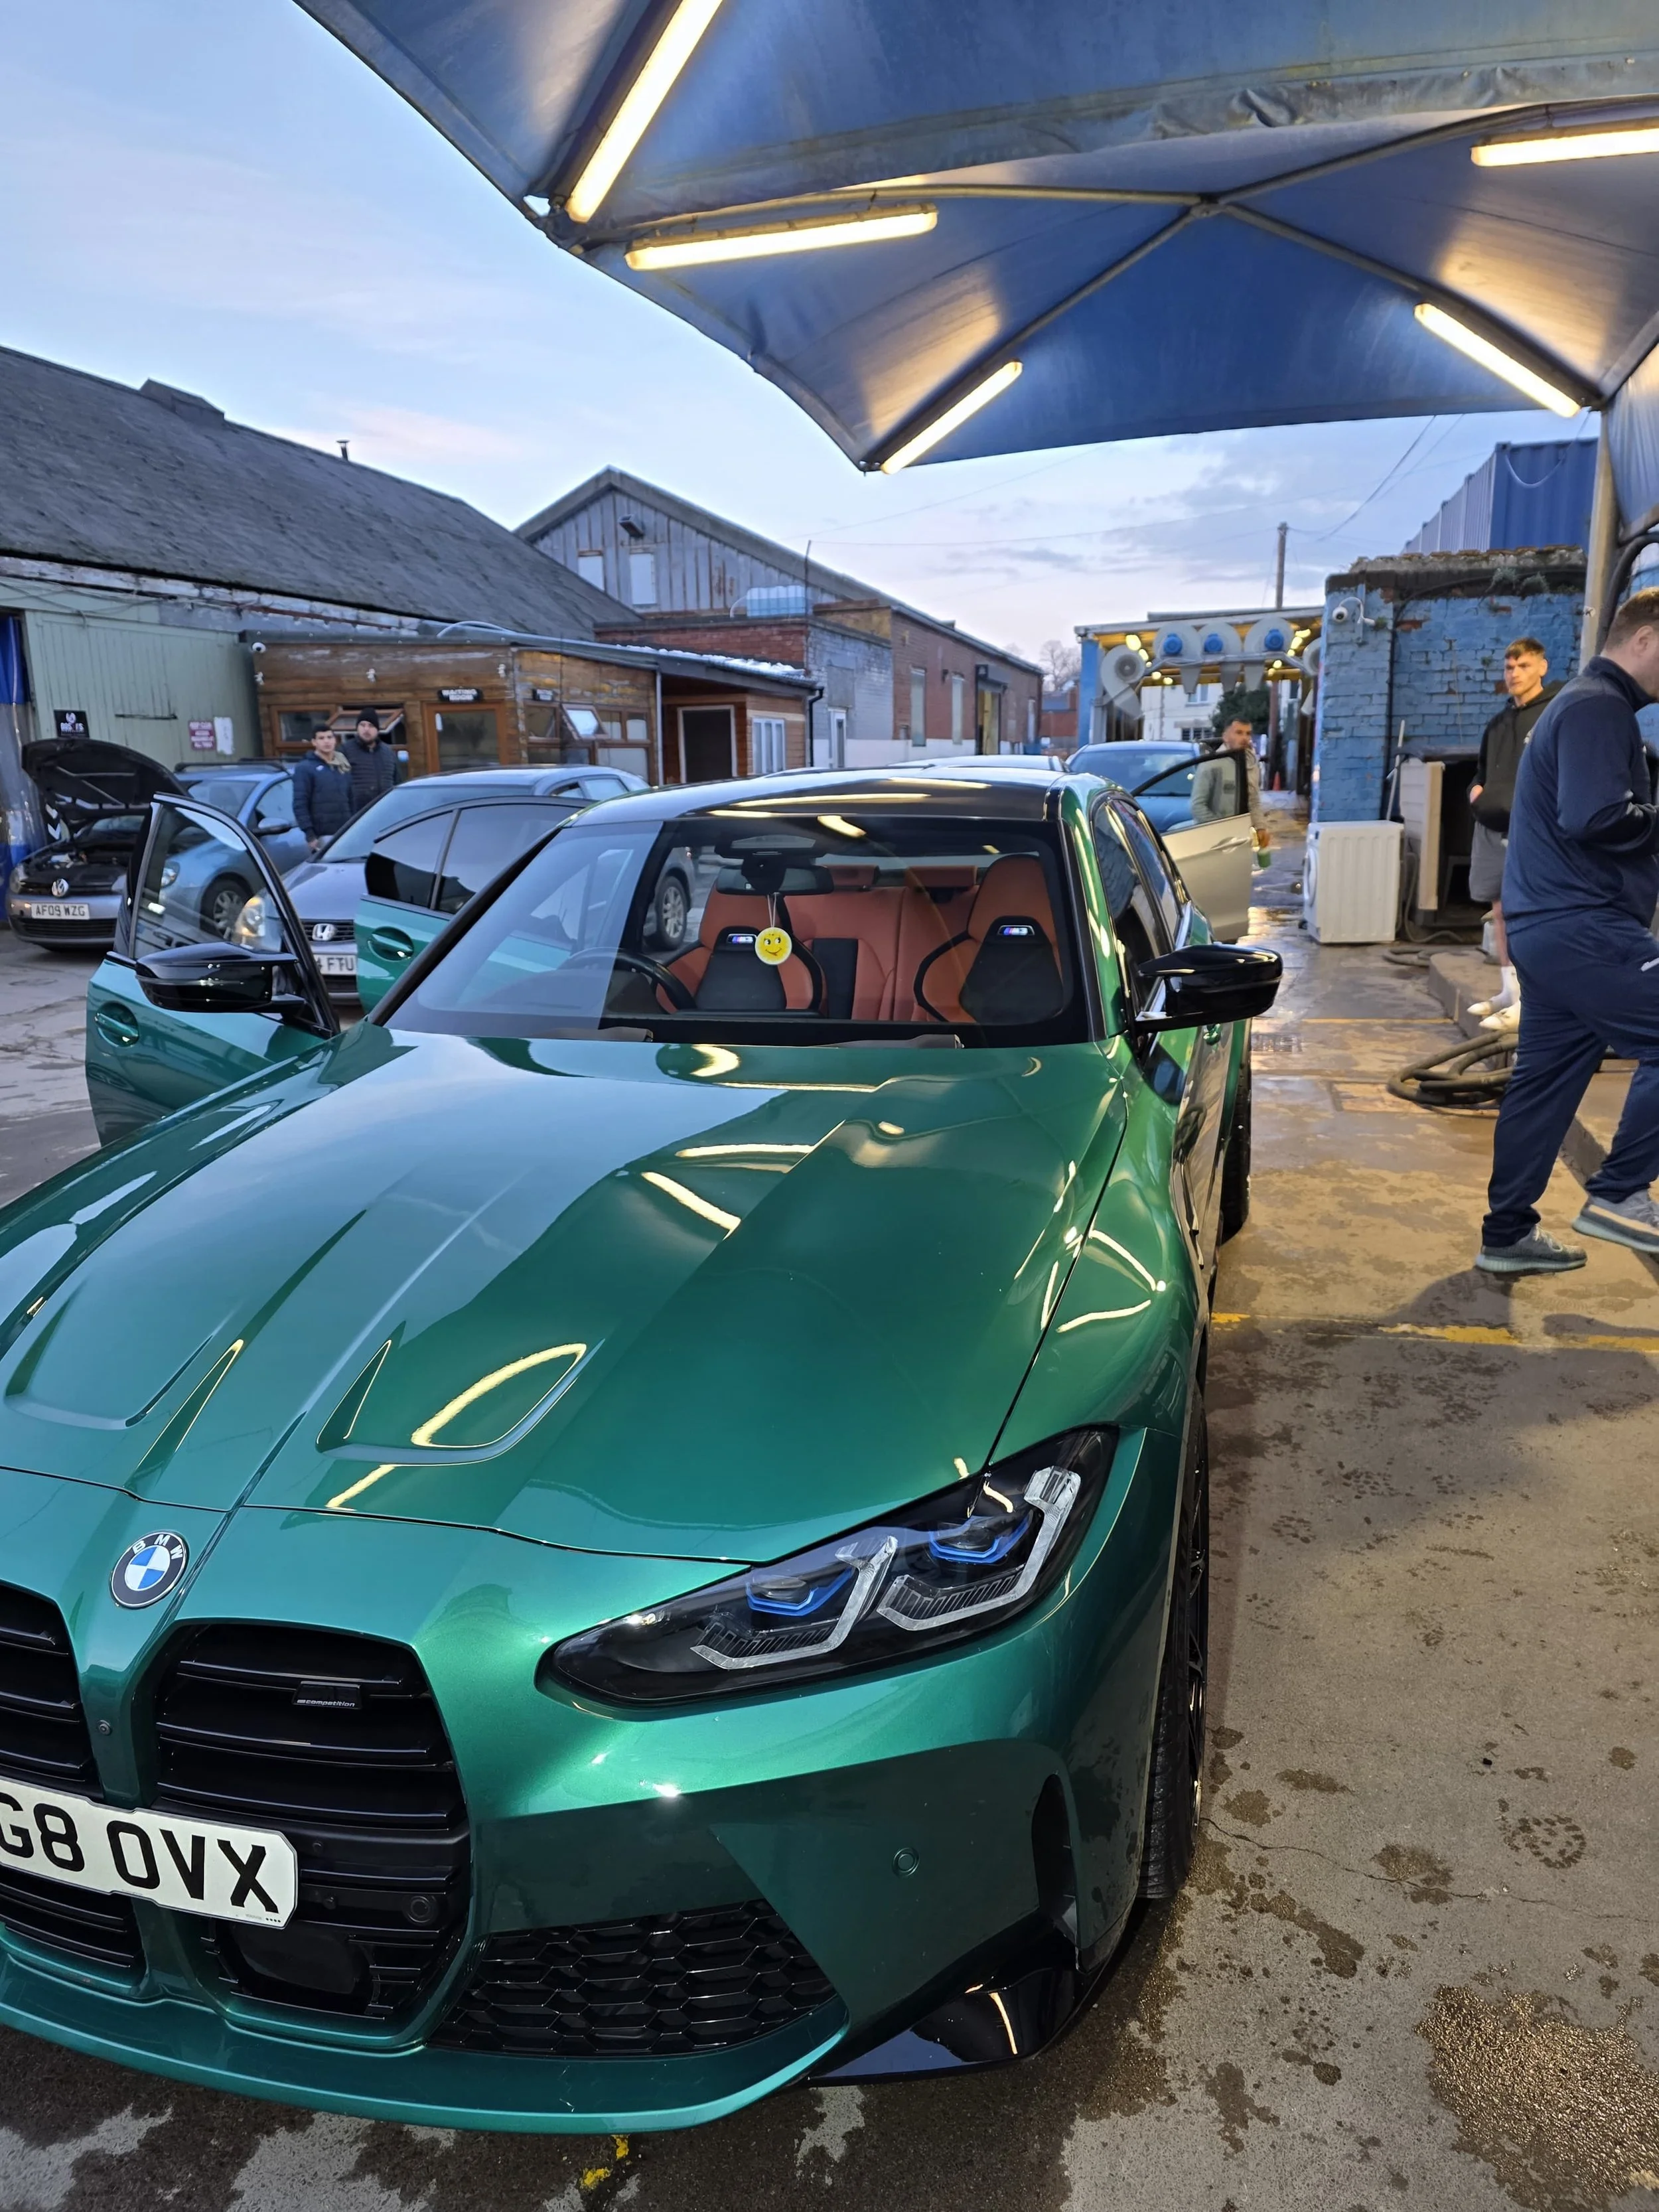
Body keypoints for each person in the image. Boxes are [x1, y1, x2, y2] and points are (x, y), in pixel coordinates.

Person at [1477, 587, 1659, 1274]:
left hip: (1549, 928)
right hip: (1583, 924)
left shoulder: (1583, 706)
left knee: (1543, 1084)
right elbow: (1595, 817)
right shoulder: (1597, 707)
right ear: (1644, 639)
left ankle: (1506, 1234)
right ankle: (1619, 1192)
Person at [1467, 638, 1557, 1033]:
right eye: (1509, 667)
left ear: (1542, 668)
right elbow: (1482, 771)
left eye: (1523, 666)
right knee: (1501, 911)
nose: (1515, 674)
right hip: (1492, 826)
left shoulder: (1553, 715)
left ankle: (1530, 1000)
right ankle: (1509, 990)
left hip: (1534, 832)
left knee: (1528, 913)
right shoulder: (1498, 723)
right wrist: (1475, 791)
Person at [1192, 715, 1270, 856]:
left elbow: (1254, 800)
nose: (1245, 738)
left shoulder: (1251, 764)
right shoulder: (1211, 764)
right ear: (1226, 737)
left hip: (1242, 840)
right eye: (1239, 733)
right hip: (1215, 844)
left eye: (1248, 733)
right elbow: (1198, 806)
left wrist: (1261, 827)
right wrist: (1223, 830)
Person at [291, 725, 354, 852]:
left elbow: (351, 799)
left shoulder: (342, 766)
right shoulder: (305, 768)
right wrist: (310, 835)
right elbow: (300, 803)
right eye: (321, 738)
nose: (327, 741)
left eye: (330, 737)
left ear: (335, 740)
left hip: (345, 833)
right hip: (321, 836)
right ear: (314, 742)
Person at [344, 712, 396, 818]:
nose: (366, 729)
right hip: (357, 815)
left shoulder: (388, 752)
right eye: (363, 725)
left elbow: (397, 780)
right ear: (357, 728)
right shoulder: (346, 751)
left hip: (386, 812)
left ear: (377, 729)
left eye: (371, 726)